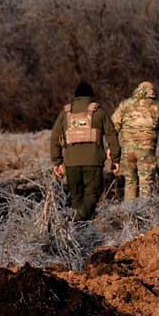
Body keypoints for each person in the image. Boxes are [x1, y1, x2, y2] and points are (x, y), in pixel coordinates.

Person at [50, 82, 121, 221]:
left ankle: (78, 230)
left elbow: (54, 138)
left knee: (76, 197)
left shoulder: (65, 113)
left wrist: (57, 162)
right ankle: (79, 219)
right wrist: (116, 159)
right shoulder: (98, 111)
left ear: (75, 96)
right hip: (93, 161)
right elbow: (111, 135)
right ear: (91, 96)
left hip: (71, 162)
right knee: (93, 194)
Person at [111, 81, 159, 201]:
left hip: (127, 152)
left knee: (130, 182)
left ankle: (130, 214)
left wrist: (112, 148)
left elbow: (112, 127)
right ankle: (145, 214)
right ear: (152, 92)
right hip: (147, 152)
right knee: (146, 184)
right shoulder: (157, 107)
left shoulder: (125, 105)